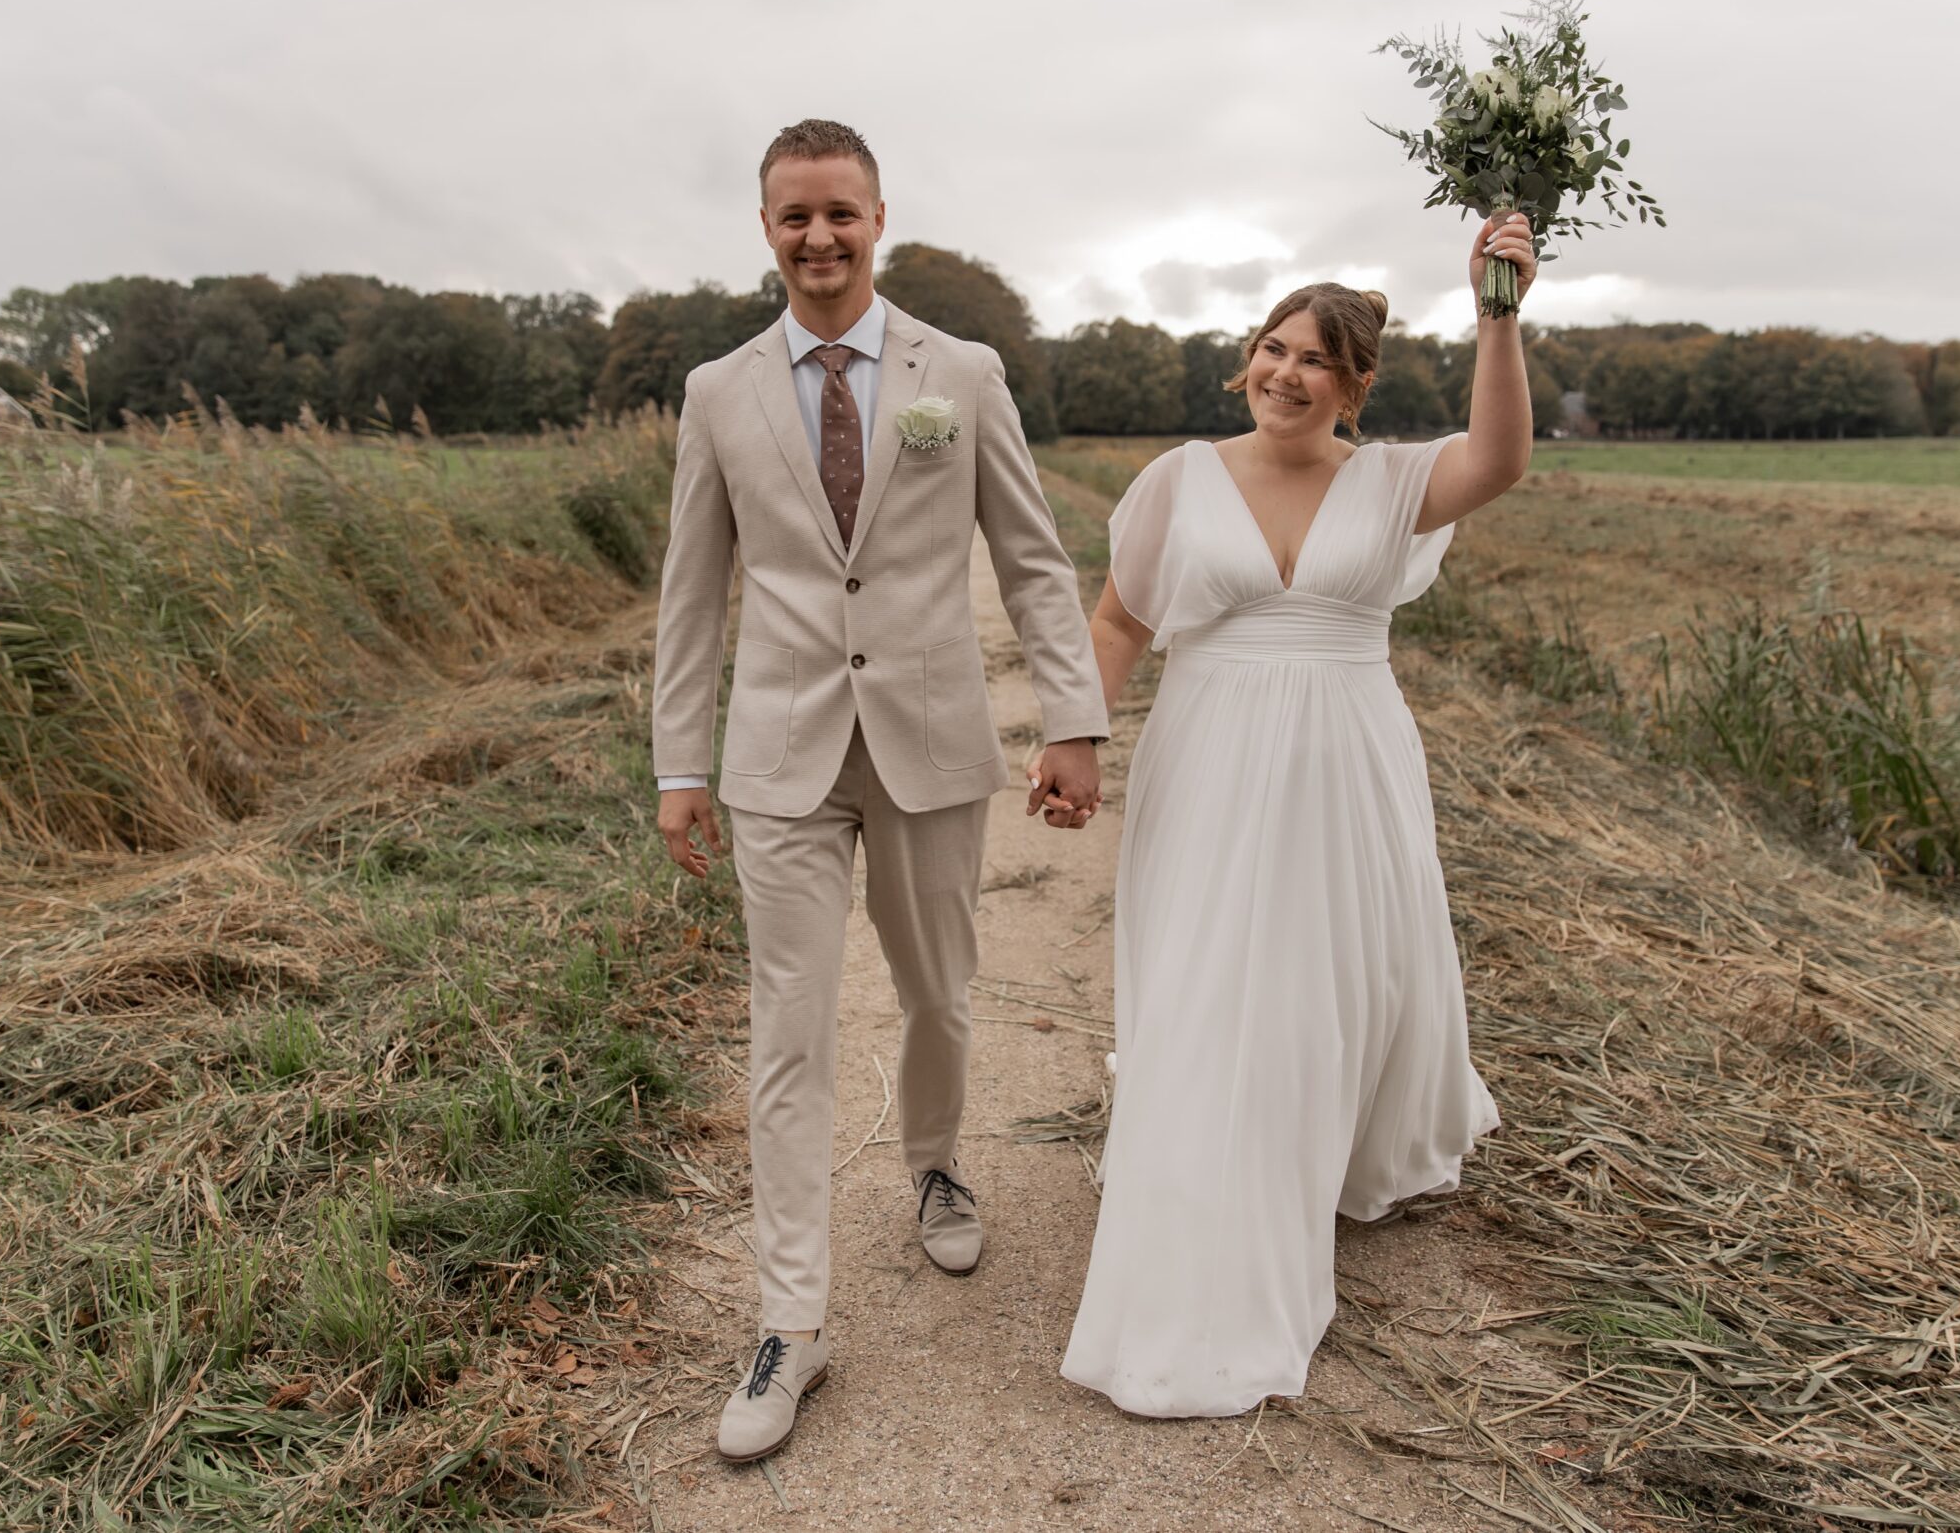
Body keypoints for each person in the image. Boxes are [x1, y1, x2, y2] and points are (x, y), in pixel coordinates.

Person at [651, 118, 1109, 1461]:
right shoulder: (718, 391)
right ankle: (791, 1318)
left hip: (927, 740)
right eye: (795, 215)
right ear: (766, 227)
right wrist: (682, 762)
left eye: (840, 212)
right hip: (780, 760)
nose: (819, 237)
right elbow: (693, 596)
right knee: (787, 1033)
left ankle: (935, 1159)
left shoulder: (956, 372)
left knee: (939, 995)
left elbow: (1030, 555)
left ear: (879, 217)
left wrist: (1073, 714)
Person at [1052, 211, 1538, 1417]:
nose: (1284, 371)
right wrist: (1076, 735)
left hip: (1347, 759)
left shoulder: (1393, 481)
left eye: (1314, 358)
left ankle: (1326, 1146)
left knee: (1339, 976)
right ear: (1246, 360)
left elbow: (1503, 458)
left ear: (1354, 384)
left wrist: (1497, 313)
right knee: (1217, 978)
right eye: (1272, 347)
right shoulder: (1179, 476)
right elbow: (1118, 621)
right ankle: (1217, 1188)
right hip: (1207, 756)